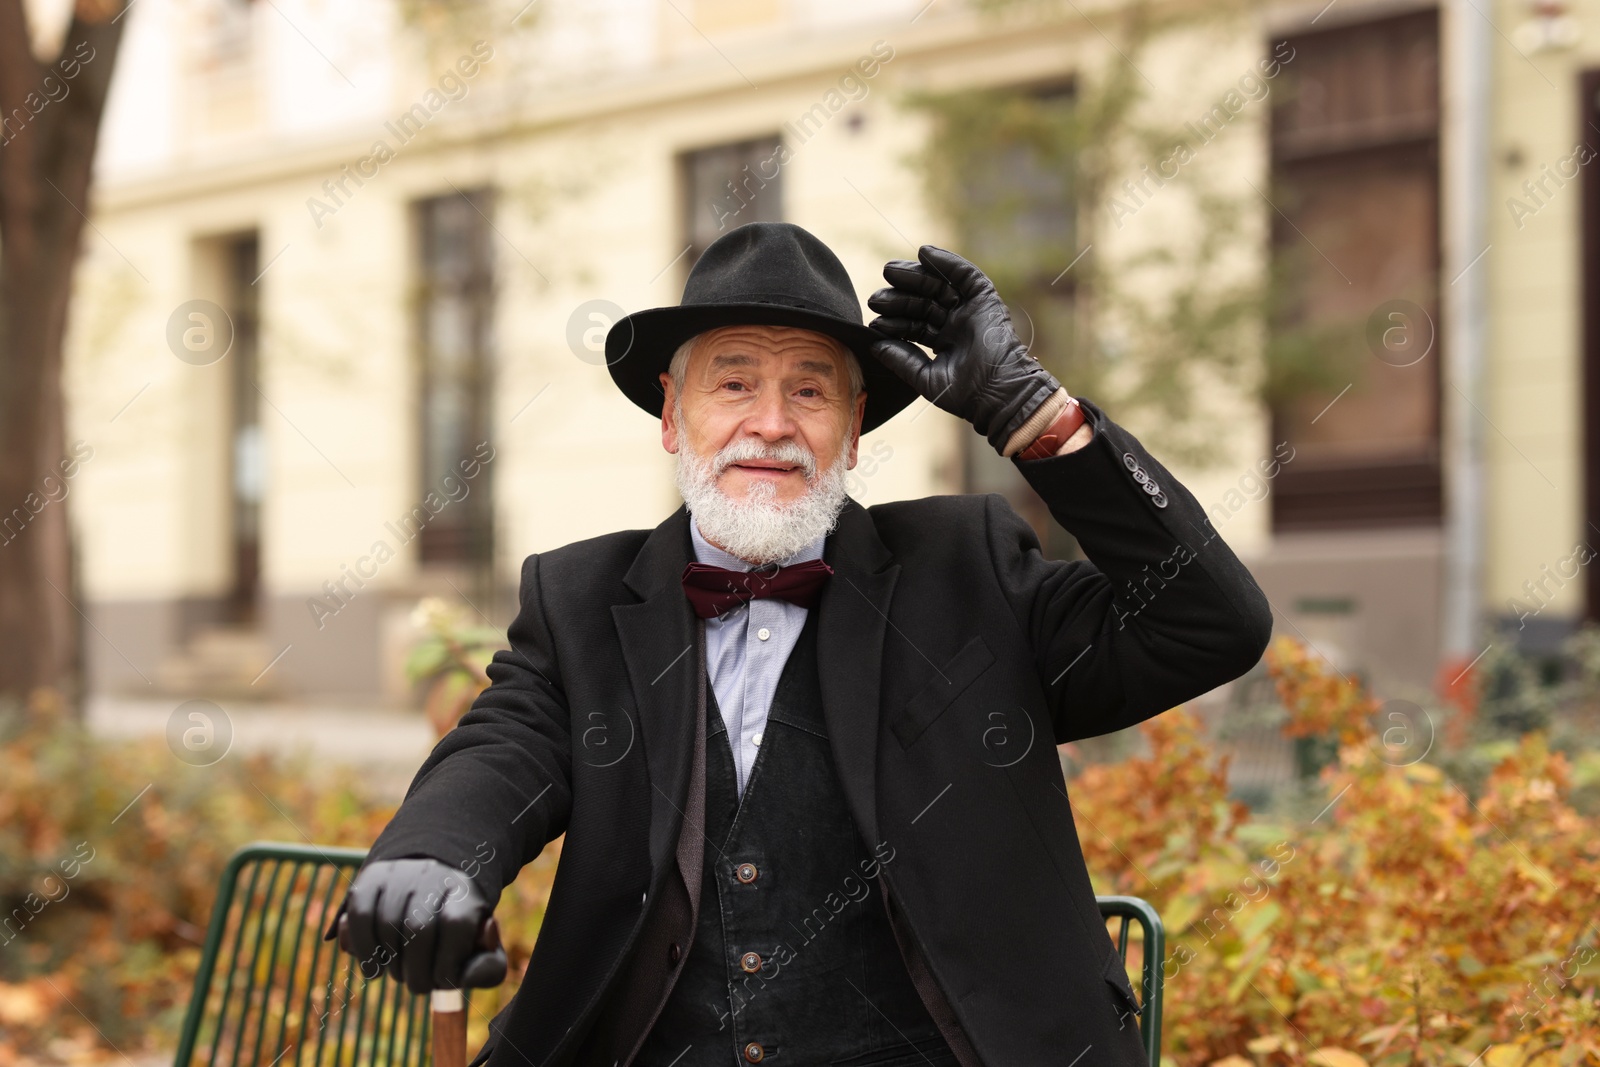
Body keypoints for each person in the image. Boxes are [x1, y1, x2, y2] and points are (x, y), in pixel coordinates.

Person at [334, 221, 1273, 1066]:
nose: (772, 424)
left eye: (811, 390)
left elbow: (1209, 623)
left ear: (855, 428)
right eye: (734, 382)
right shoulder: (577, 598)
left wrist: (1031, 413)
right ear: (672, 413)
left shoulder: (971, 570)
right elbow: (501, 751)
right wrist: (433, 855)